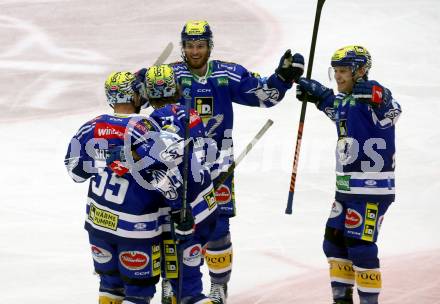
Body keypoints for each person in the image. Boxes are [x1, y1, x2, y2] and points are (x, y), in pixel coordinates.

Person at [142, 20, 304, 304]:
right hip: (176, 165)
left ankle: (219, 286)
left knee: (218, 228)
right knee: (171, 226)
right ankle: (171, 281)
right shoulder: (171, 75)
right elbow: (137, 95)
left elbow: (266, 95)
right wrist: (134, 82)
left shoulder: (227, 74)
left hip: (217, 164)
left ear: (209, 46)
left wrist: (283, 76)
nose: (195, 51)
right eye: (190, 46)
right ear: (182, 47)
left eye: (200, 46)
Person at [64, 70, 217, 304]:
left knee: (110, 288)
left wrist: (105, 157)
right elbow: (162, 173)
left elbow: (75, 171)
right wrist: (180, 209)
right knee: (139, 293)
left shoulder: (90, 126)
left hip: (98, 222)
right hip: (135, 227)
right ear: (136, 95)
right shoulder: (145, 127)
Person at [296, 45, 402, 304]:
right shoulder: (345, 100)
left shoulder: (374, 98)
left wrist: (378, 94)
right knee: (333, 244)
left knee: (361, 248)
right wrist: (319, 95)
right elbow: (337, 108)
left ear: (361, 71)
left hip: (370, 190)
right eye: (336, 71)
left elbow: (393, 109)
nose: (339, 76)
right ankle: (341, 300)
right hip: (346, 189)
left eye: (344, 70)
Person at [142, 64, 219, 304]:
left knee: (187, 288)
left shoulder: (153, 121)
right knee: (190, 267)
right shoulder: (192, 112)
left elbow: (164, 167)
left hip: (182, 210)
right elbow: (207, 154)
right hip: (207, 203)